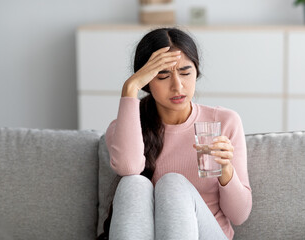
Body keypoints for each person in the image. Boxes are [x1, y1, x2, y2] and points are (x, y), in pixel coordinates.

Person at [98, 27, 252, 240]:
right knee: (133, 183)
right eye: (163, 76)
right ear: (146, 82)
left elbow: (239, 215)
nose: (177, 86)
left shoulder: (223, 121)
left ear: (197, 72)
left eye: (186, 72)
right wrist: (130, 87)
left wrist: (226, 170)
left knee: (172, 183)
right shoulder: (123, 128)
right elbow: (129, 167)